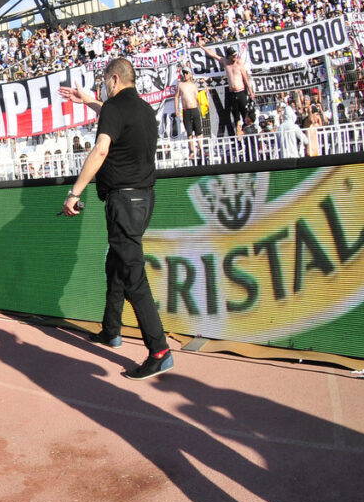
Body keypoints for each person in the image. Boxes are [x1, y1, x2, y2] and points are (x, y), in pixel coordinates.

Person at [59, 57, 173, 381]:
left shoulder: (114, 109)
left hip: (123, 200)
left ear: (113, 79)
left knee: (133, 274)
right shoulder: (144, 110)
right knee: (117, 263)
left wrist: (74, 193)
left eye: (104, 82)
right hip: (144, 199)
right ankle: (112, 330)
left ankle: (159, 350)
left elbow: (101, 150)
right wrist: (89, 102)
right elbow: (114, 118)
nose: (102, 87)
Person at [199, 41, 255, 136]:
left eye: (235, 55)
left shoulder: (238, 63)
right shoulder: (225, 62)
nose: (234, 57)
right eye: (232, 56)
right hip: (232, 93)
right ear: (228, 56)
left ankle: (248, 137)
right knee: (236, 118)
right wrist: (202, 47)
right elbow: (213, 55)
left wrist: (250, 91)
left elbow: (245, 77)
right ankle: (239, 140)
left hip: (241, 92)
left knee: (245, 116)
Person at [173, 68, 203, 160]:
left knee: (198, 131)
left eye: (186, 73)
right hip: (186, 110)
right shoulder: (181, 85)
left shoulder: (193, 85)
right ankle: (192, 150)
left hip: (194, 109)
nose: (185, 75)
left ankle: (200, 149)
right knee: (189, 132)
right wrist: (177, 109)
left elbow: (198, 98)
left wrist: (204, 95)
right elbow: (176, 97)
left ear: (190, 74)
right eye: (184, 73)